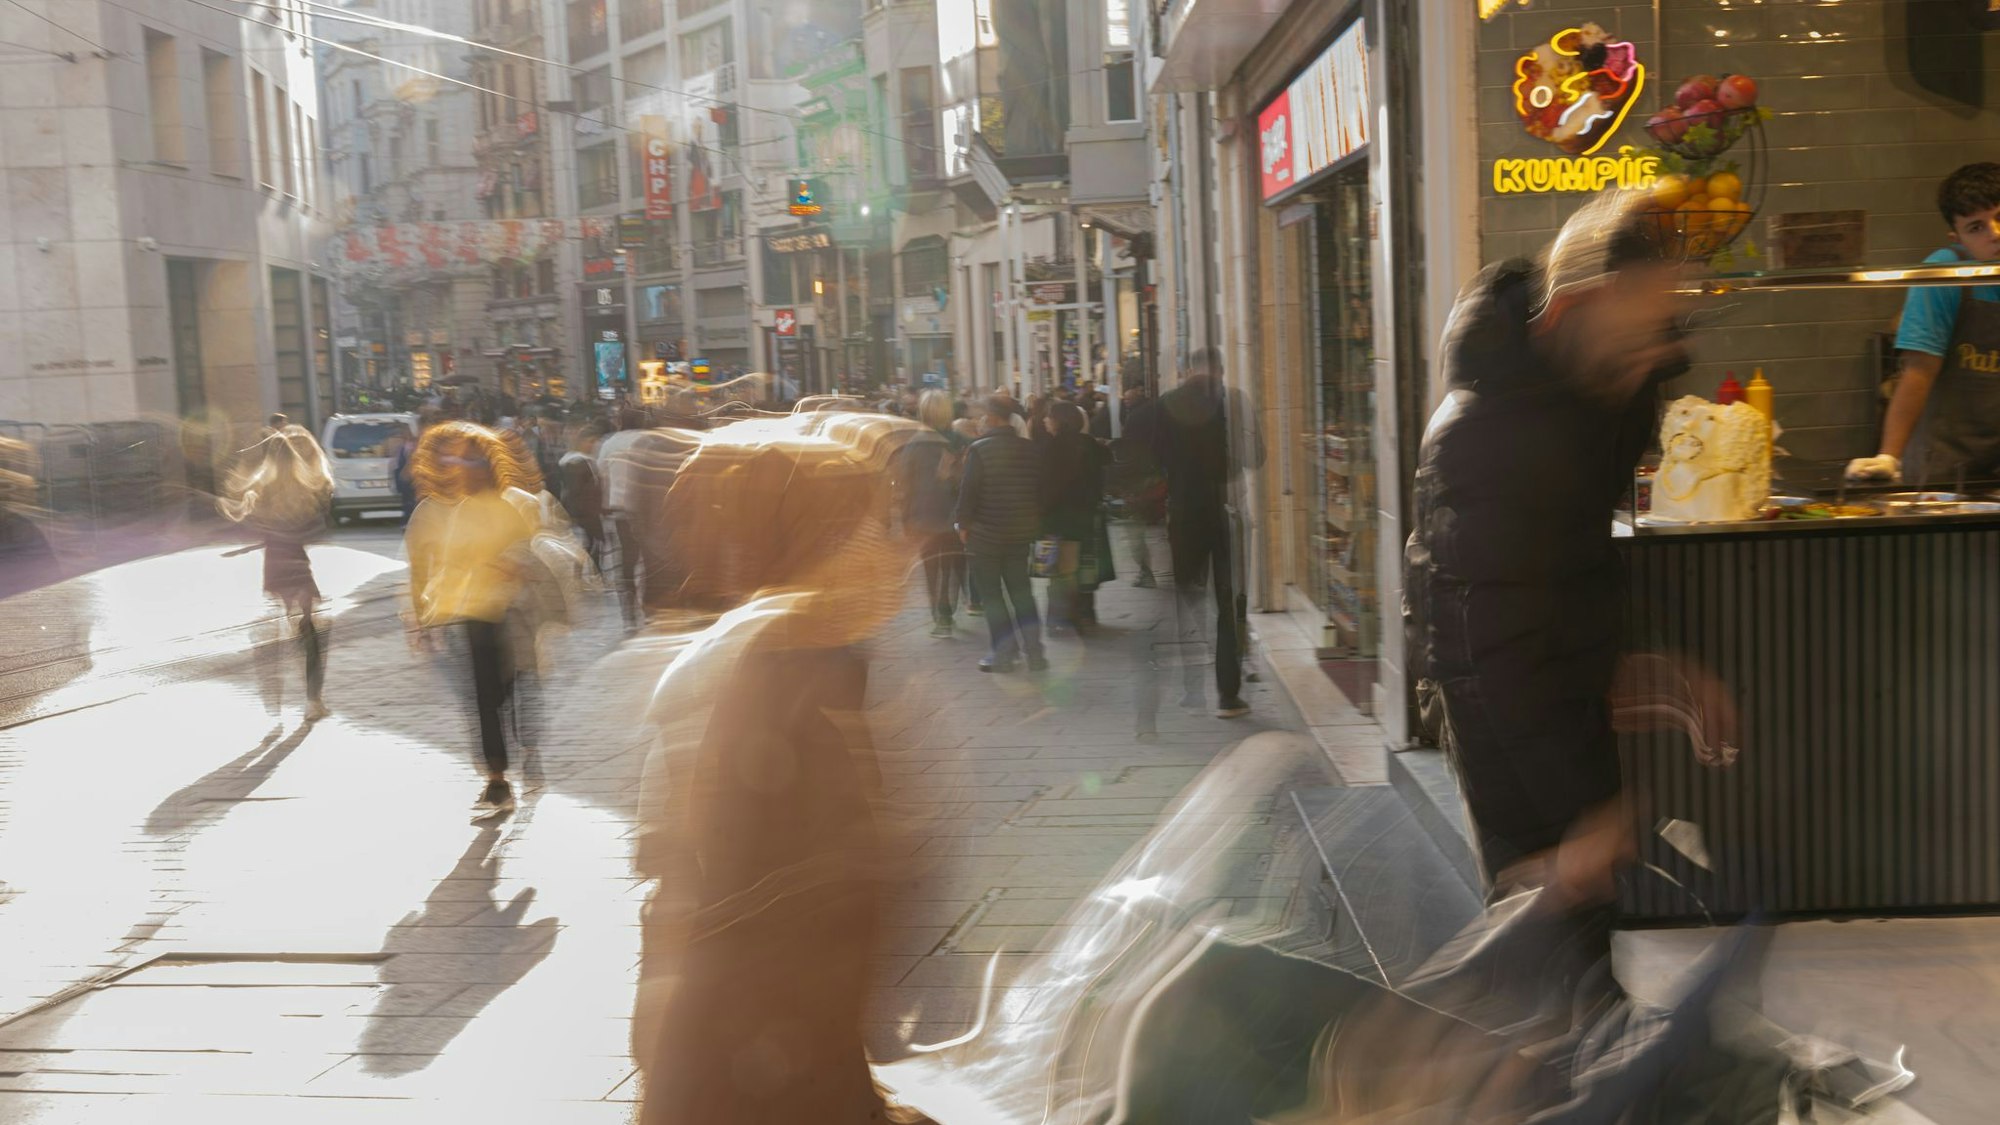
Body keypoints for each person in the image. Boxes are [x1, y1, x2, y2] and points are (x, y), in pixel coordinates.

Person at [1405, 190, 1738, 980]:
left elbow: (1580, 554)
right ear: (1578, 306)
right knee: (1549, 924)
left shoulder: (1597, 394)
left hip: (1551, 672)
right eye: (1642, 319)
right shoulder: (1491, 433)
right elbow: (1488, 639)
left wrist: (1650, 656)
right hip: (1499, 698)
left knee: (1578, 921)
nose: (1652, 350)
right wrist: (1580, 820)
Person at [405, 421, 541, 816]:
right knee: (484, 699)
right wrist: (426, 615)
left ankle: (526, 747)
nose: (460, 468)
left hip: (512, 613)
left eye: (469, 461)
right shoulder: (460, 510)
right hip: (475, 615)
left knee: (514, 688)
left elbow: (531, 548)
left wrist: (513, 563)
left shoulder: (510, 506)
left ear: (486, 466)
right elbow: (447, 563)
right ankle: (497, 781)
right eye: (455, 460)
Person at [1848, 162, 2000, 484]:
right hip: (1944, 469)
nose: (1995, 234)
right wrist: (1888, 456)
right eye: (1977, 227)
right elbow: (1919, 370)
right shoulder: (1944, 275)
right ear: (1956, 237)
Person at [1130, 346, 1262, 718]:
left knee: (1188, 600)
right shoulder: (1235, 401)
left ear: (1186, 369)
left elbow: (1145, 461)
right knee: (1228, 602)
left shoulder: (1162, 407)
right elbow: (1257, 456)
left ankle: (1192, 689)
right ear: (1220, 369)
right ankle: (1228, 694)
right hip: (1228, 512)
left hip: (1184, 515)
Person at [220, 424, 335, 722]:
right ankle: (313, 701)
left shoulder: (262, 487)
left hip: (274, 565)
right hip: (297, 564)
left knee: (282, 627)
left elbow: (250, 523)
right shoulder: (305, 487)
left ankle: (274, 699)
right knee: (309, 631)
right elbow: (318, 527)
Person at [955, 396, 1046, 672]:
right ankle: (1035, 654)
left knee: (992, 595)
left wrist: (963, 524)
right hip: (1019, 533)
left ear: (993, 418)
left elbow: (968, 492)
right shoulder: (1030, 449)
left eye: (983, 416)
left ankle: (1004, 653)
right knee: (1022, 593)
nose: (980, 420)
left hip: (985, 535)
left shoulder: (979, 450)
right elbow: (1039, 491)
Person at [903, 390, 970, 637]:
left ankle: (940, 617)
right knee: (950, 565)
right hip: (953, 513)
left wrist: (905, 517)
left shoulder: (913, 442)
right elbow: (970, 480)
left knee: (931, 567)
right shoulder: (961, 442)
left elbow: (905, 483)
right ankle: (947, 611)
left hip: (922, 516)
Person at [1039, 401, 1106, 634]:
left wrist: (1041, 515)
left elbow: (1048, 486)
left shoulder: (1052, 447)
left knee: (1058, 569)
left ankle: (1062, 617)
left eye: (1049, 416)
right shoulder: (1091, 445)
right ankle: (1086, 613)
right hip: (1086, 516)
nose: (1045, 420)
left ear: (1059, 420)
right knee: (1085, 565)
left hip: (1059, 517)